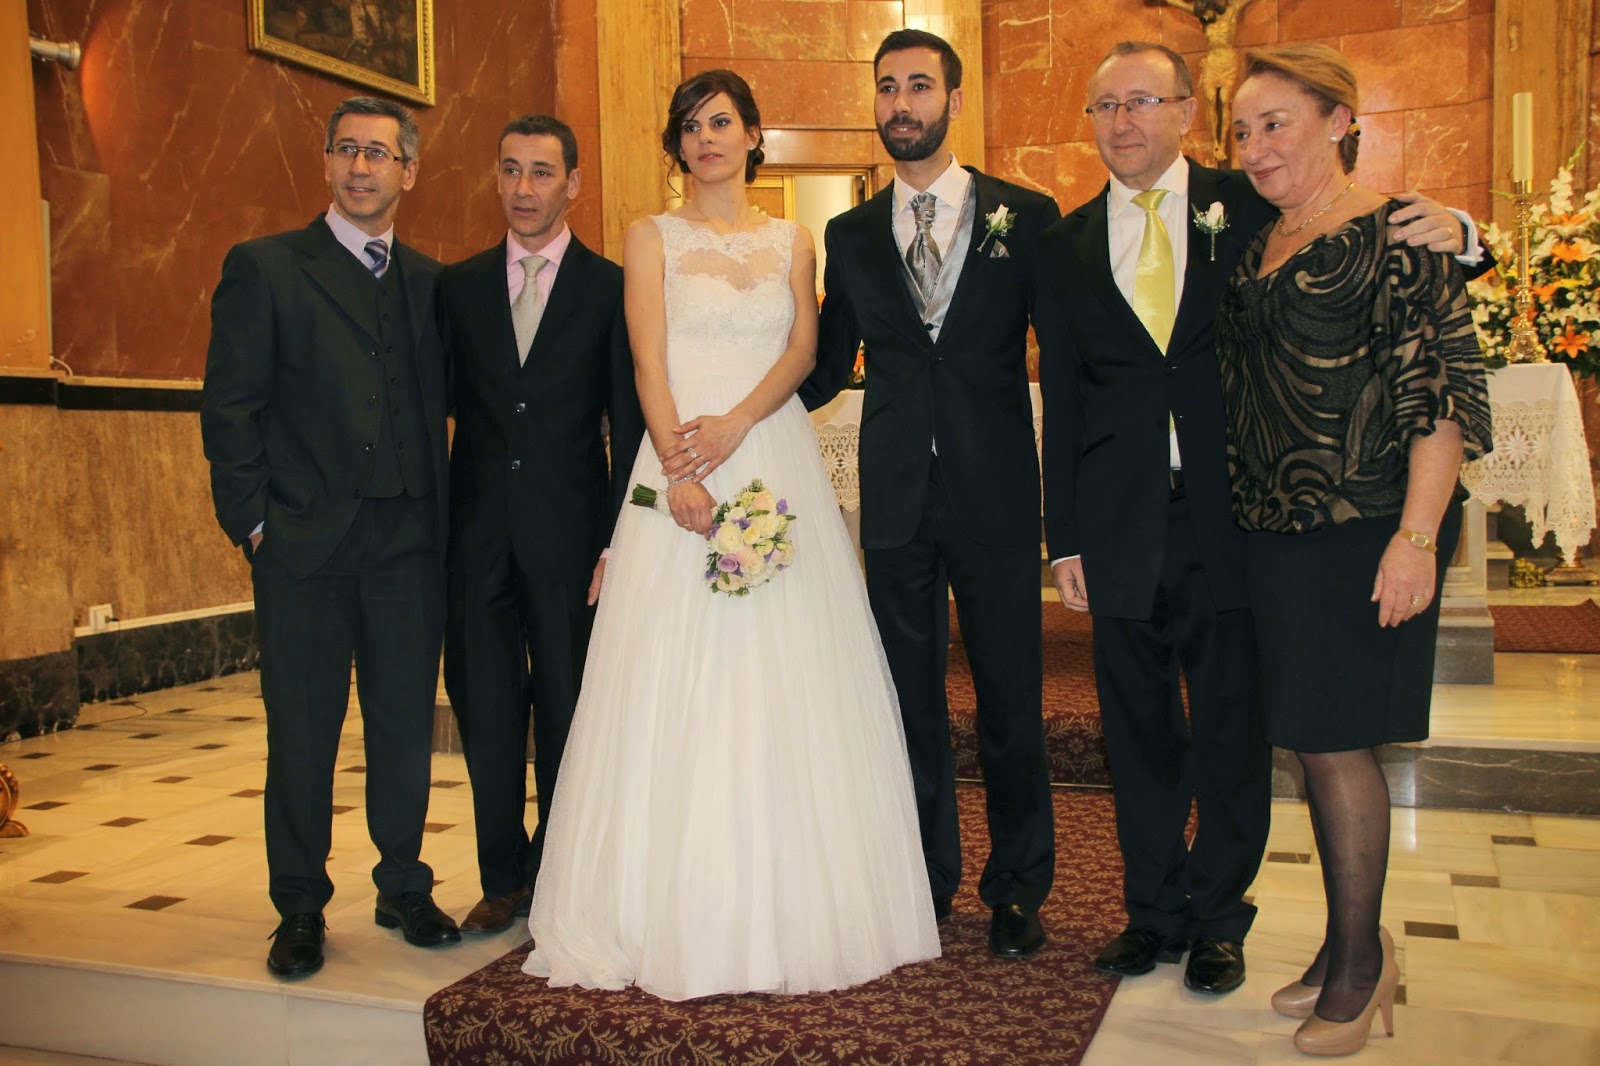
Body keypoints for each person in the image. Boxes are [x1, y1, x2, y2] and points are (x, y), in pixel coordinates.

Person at [1033, 41, 1482, 995]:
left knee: (1235, 726)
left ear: (1185, 114)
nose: (1123, 122)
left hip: (1239, 516)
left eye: (1143, 101)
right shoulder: (1064, 242)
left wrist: (1467, 231)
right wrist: (1062, 536)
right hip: (1118, 522)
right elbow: (1063, 397)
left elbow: (1378, 241)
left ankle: (1218, 921)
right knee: (1135, 730)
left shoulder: (1251, 200)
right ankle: (1150, 914)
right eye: (1105, 106)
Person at [521, 69, 940, 1001]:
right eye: (689, 125)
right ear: (677, 145)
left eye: (720, 122)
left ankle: (800, 903)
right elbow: (646, 358)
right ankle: (661, 905)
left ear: (754, 135)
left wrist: (740, 426)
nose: (704, 138)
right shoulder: (650, 236)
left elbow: (803, 350)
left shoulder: (793, 238)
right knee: (668, 673)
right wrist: (680, 468)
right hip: (678, 456)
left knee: (791, 671)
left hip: (768, 450)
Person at [1218, 45, 1491, 1053]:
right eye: (1241, 130)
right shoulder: (1259, 238)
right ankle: (1345, 943)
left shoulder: (1400, 235)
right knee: (1310, 737)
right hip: (1277, 529)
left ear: (1339, 121)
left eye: (1276, 123)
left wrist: (1416, 539)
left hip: (1366, 524)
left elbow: (1441, 400)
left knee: (1336, 741)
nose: (1254, 147)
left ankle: (1363, 969)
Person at [800, 28, 1060, 960]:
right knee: (907, 701)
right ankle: (923, 878)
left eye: (918, 85)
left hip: (996, 495)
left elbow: (1066, 354)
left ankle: (1018, 887)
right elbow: (824, 364)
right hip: (899, 500)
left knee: (1009, 703)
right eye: (886, 87)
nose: (901, 103)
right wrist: (733, 404)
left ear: (954, 97)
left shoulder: (1026, 216)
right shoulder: (850, 234)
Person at [200, 96, 459, 979]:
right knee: (304, 732)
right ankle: (301, 905)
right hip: (304, 545)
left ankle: (403, 884)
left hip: (409, 542)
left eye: (378, 153)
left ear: (408, 171)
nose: (360, 167)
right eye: (346, 150)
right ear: (326, 164)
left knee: (403, 725)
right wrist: (255, 523)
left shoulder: (433, 283)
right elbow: (230, 407)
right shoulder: (267, 267)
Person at [437, 115, 643, 935]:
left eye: (543, 172)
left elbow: (629, 427)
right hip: (476, 541)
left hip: (570, 543)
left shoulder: (611, 288)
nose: (525, 189)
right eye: (512, 170)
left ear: (573, 184)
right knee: (486, 711)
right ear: (495, 177)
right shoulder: (457, 288)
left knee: (566, 712)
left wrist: (617, 539)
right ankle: (501, 878)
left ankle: (557, 876)